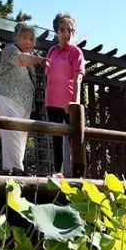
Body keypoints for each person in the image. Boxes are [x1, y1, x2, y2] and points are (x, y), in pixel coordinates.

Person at [0, 22, 47, 173]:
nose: (29, 41)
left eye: (32, 39)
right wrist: (39, 60)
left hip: (24, 104)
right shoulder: (10, 49)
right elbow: (20, 60)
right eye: (25, 37)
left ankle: (13, 170)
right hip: (8, 97)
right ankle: (16, 171)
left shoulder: (30, 59)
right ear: (16, 37)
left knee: (20, 140)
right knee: (13, 135)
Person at [45, 12, 86, 177]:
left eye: (70, 30)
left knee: (73, 139)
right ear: (56, 31)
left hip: (68, 103)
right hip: (51, 101)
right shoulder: (51, 51)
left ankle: (77, 175)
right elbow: (49, 74)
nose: (66, 34)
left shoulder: (75, 52)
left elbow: (78, 79)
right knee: (56, 137)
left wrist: (74, 104)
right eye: (62, 29)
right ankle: (57, 172)